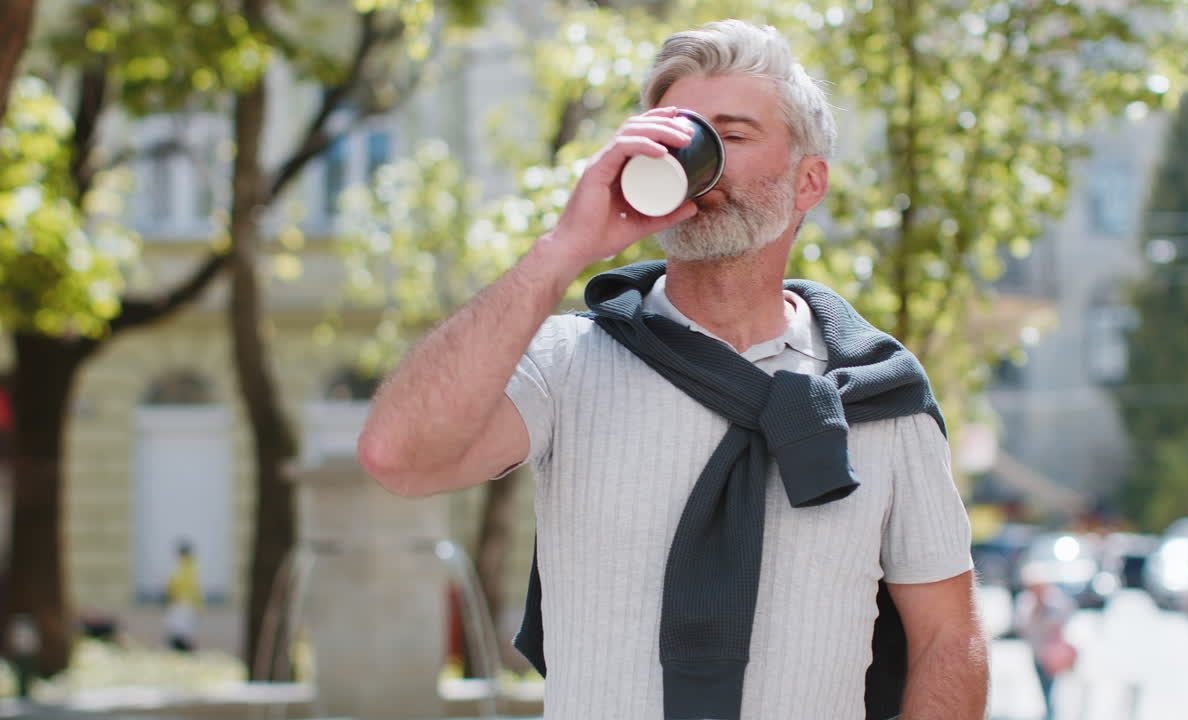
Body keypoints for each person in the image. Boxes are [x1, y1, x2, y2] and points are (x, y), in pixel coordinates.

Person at [359, 20, 989, 720]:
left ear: (808, 181)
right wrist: (566, 247)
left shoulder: (880, 395)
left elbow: (947, 637)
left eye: (734, 134)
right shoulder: (567, 365)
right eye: (682, 132)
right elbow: (397, 456)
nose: (701, 159)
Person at [1014, 563, 1077, 720]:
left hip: (1055, 650)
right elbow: (1021, 625)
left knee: (1055, 683)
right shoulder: (1026, 601)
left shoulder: (1055, 598)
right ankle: (1049, 709)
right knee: (1043, 682)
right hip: (1037, 650)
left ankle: (1052, 711)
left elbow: (1066, 615)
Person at [164, 540, 201, 653]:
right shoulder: (192, 567)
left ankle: (179, 649)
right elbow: (196, 587)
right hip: (187, 602)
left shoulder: (179, 567)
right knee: (185, 629)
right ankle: (182, 649)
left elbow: (172, 584)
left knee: (178, 628)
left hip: (180, 602)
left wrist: (171, 597)